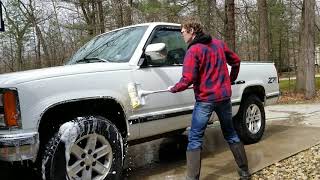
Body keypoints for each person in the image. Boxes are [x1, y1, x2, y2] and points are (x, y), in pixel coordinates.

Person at [168, 21, 251, 180]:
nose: (182, 35)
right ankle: (244, 171)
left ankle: (192, 178)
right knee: (231, 133)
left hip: (205, 100)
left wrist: (175, 88)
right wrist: (230, 79)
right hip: (224, 97)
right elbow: (236, 61)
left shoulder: (193, 50)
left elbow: (188, 78)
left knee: (194, 138)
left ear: (191, 31)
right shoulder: (218, 44)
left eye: (183, 32)